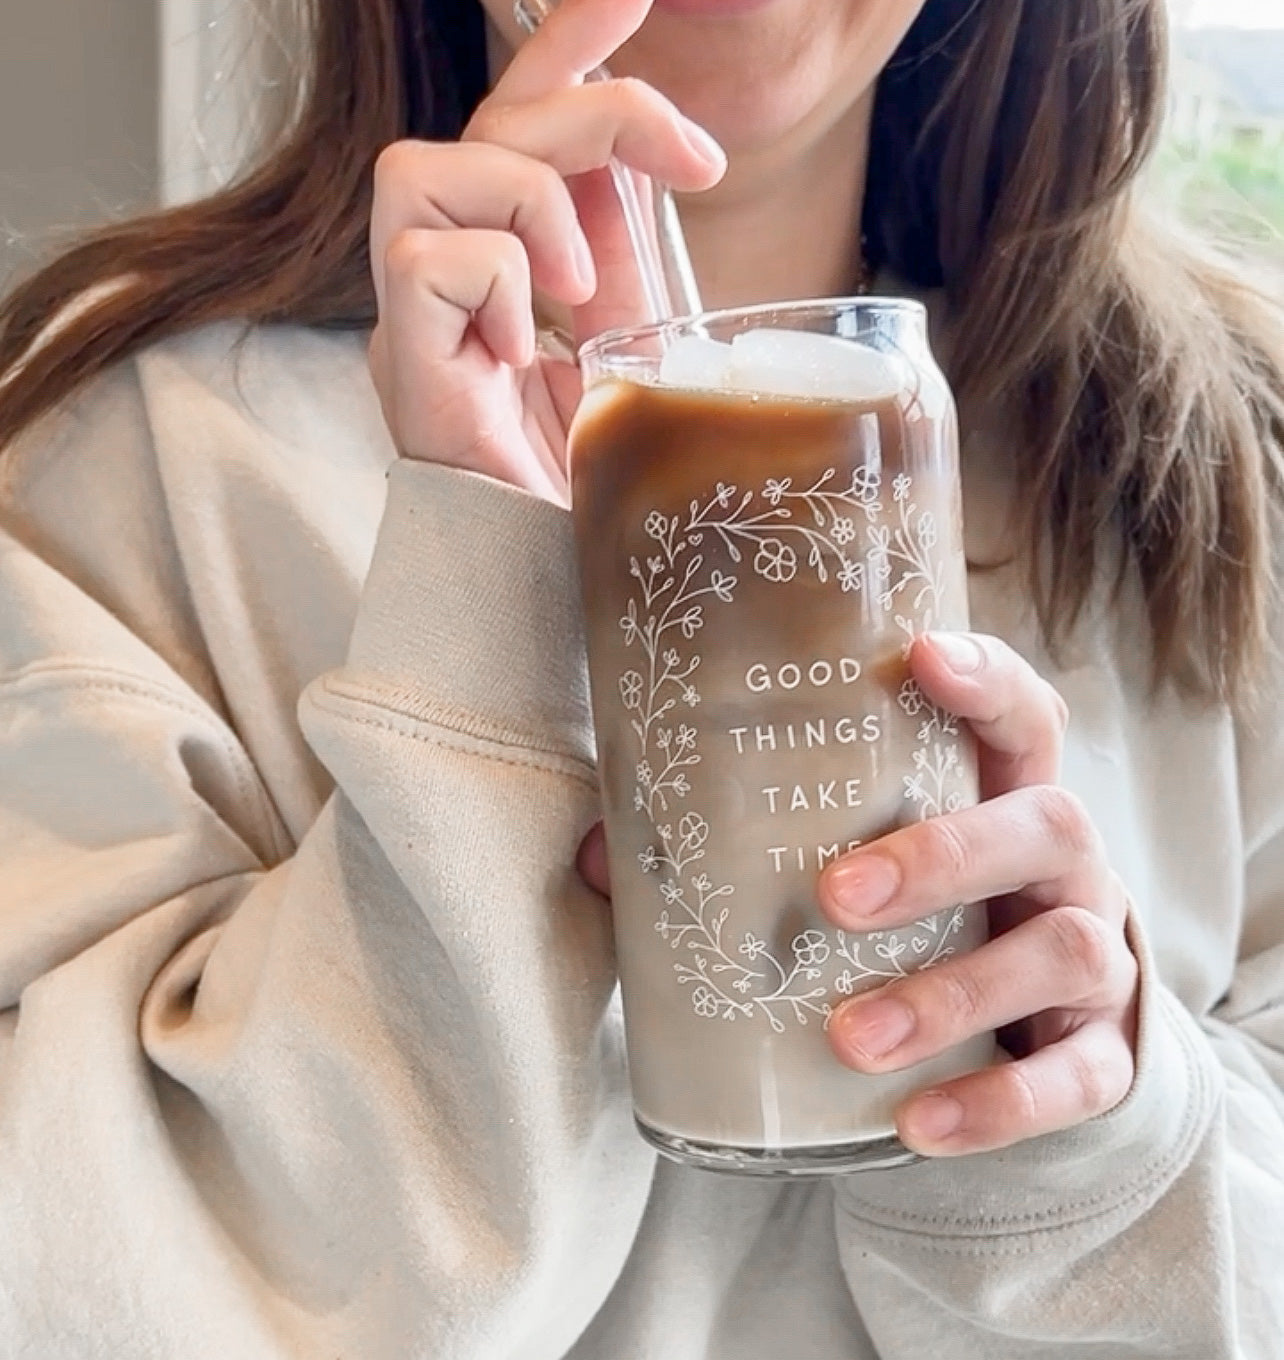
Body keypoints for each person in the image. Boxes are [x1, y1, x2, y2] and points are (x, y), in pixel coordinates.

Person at [0, 0, 1281, 1354]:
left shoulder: (1222, 480)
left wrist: (1086, 1139)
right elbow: (102, 1293)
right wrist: (488, 615)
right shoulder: (112, 466)